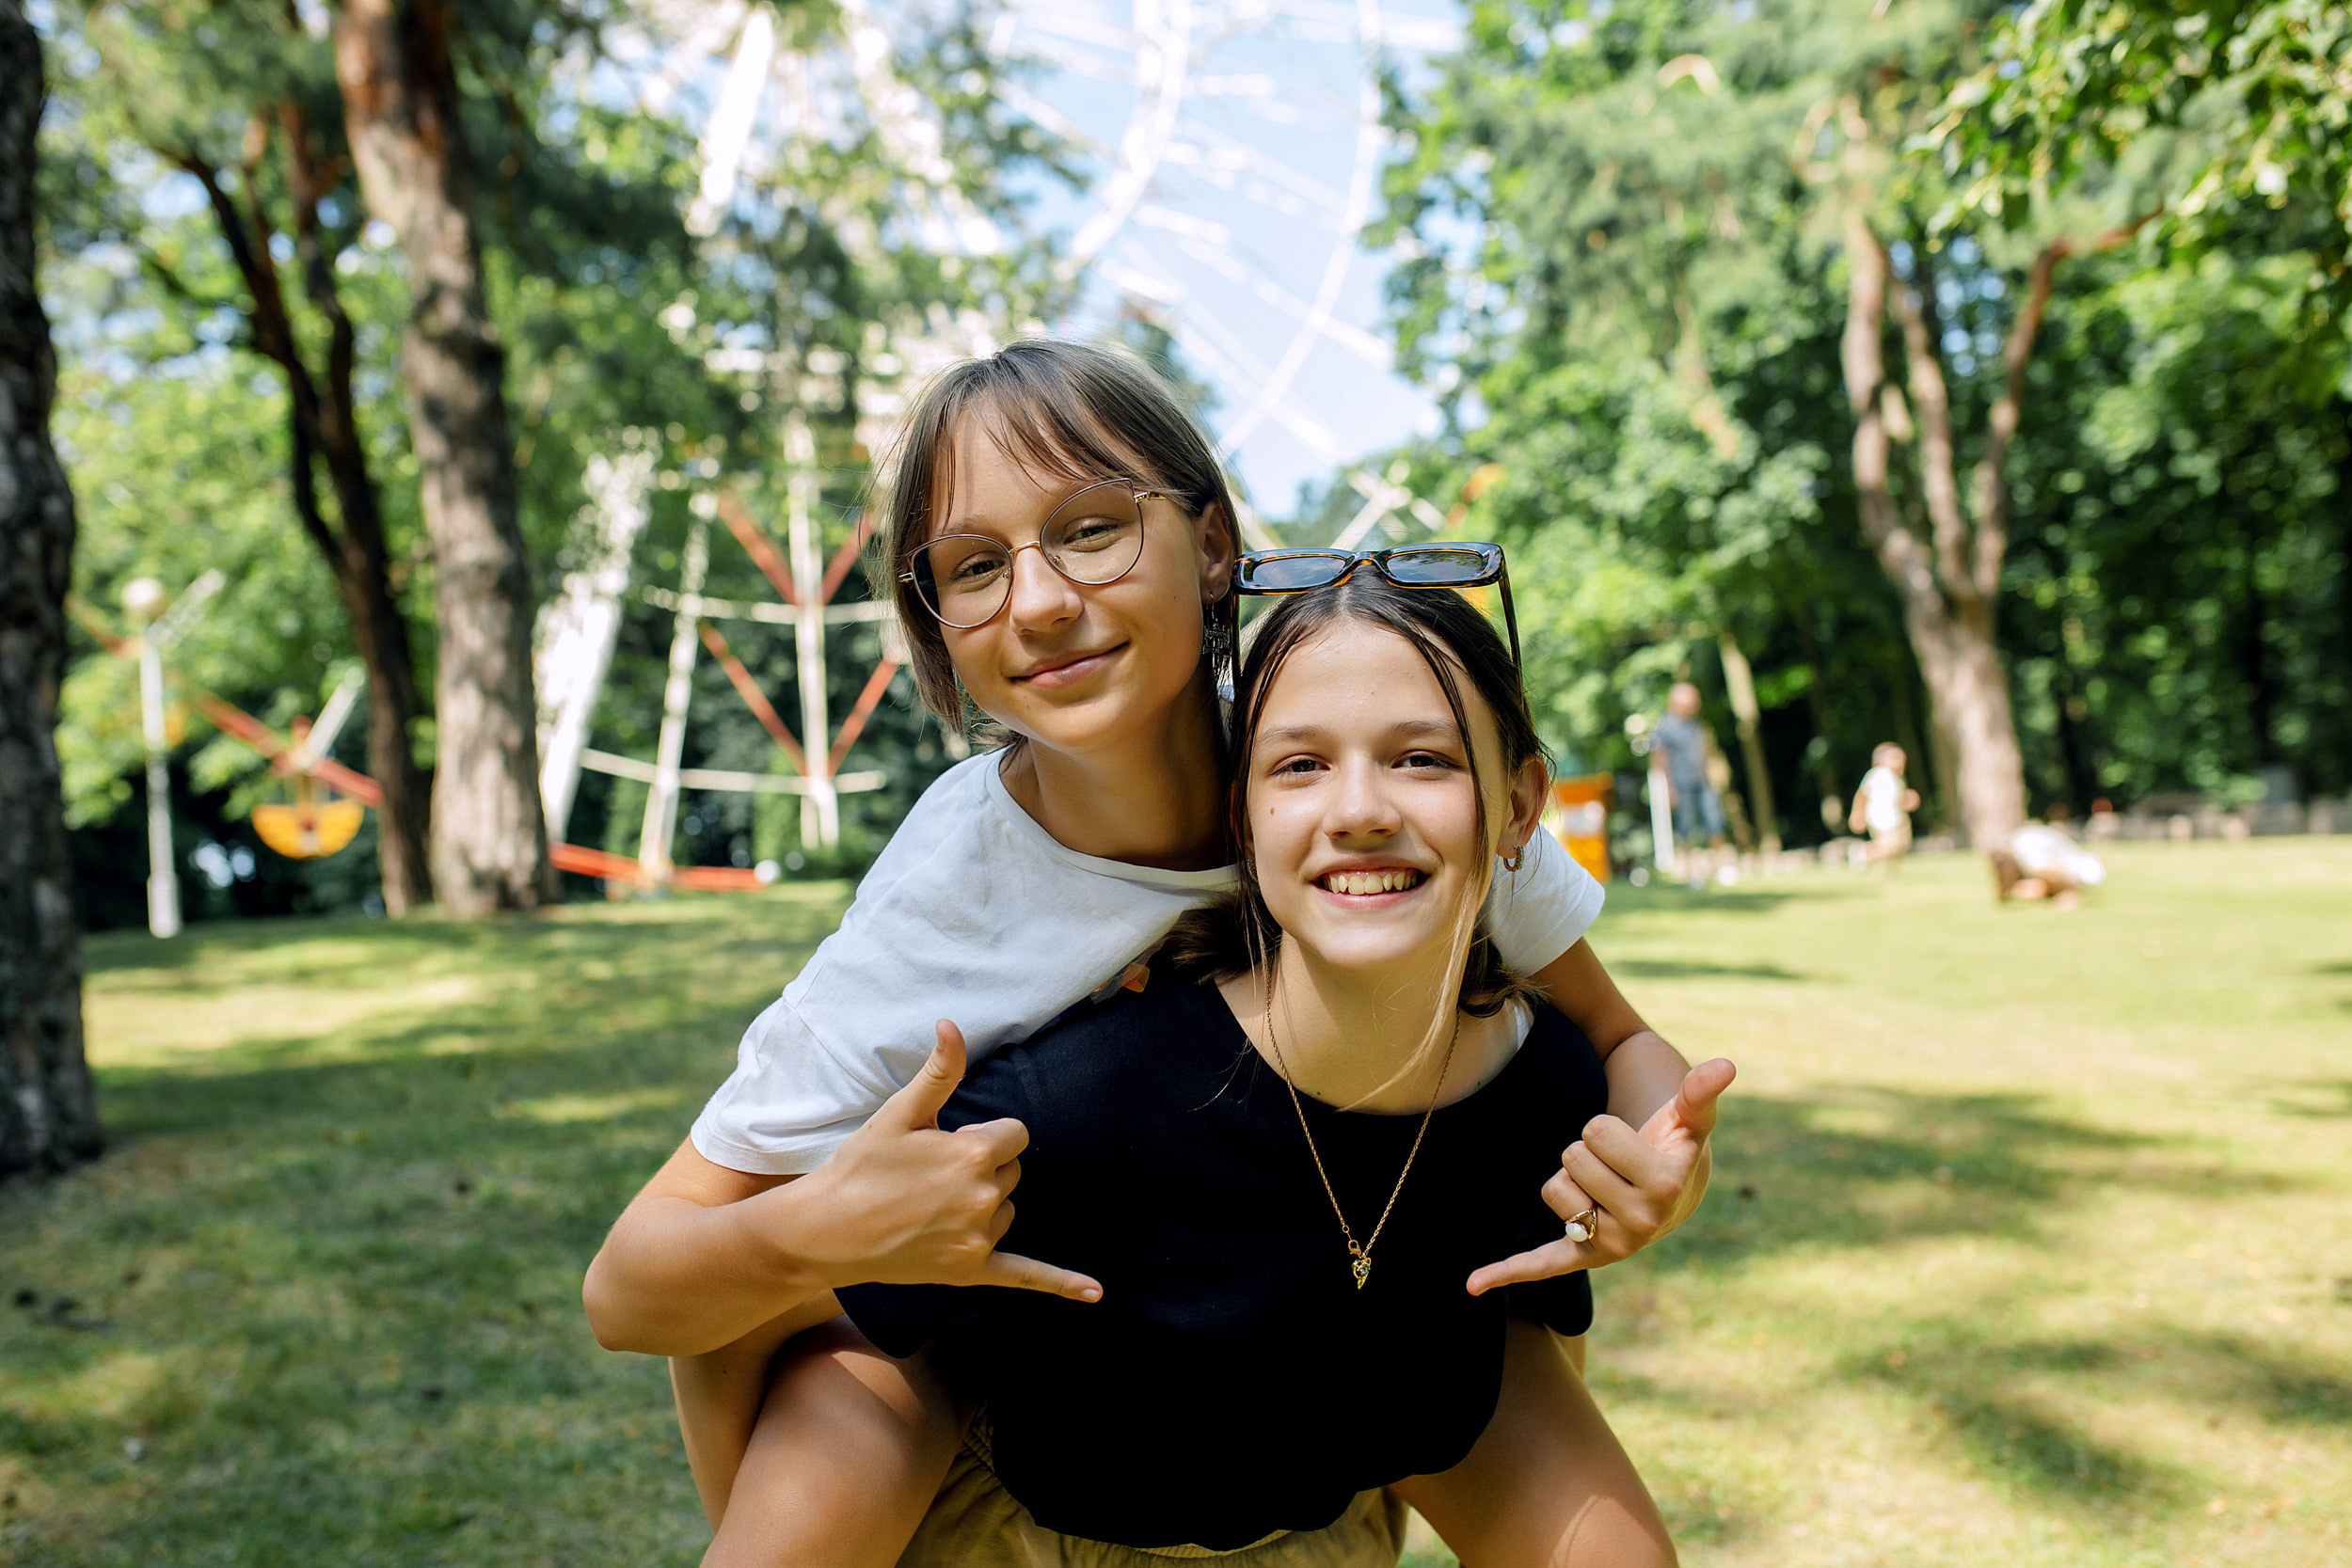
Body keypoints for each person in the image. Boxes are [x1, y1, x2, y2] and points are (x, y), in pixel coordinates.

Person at [579, 341, 1726, 1560]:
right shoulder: (947, 901)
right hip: (1003, 1367)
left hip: (1341, 1319)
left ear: (1216, 544)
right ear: (937, 622)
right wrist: (818, 1228)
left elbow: (1617, 1035)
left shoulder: (1363, 770)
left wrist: (1664, 1169)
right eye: (973, 567)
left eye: (1091, 529)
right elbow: (633, 1284)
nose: (1039, 601)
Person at [730, 568, 1694, 1564]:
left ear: (1519, 804)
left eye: (1421, 758)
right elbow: (756, 1320)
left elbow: (1522, 1369)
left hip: (1308, 1524)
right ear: (1239, 815)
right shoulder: (1076, 1105)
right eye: (1299, 766)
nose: (1359, 808)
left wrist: (1668, 1159)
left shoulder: (1546, 1100)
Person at [1650, 682, 1724, 880]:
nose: (1696, 705)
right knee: (1686, 829)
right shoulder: (1664, 727)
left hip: (1704, 782)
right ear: (1677, 702)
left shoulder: (1697, 724)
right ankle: (1690, 872)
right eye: (1692, 701)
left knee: (1715, 822)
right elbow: (1659, 760)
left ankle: (1720, 869)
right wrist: (1670, 790)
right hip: (1681, 784)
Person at [1992, 821, 2106, 907]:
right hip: (2072, 867)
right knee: (2029, 889)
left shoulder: (2024, 847)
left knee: (2035, 880)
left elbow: (2045, 869)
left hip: (2082, 869)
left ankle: (2069, 891)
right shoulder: (2018, 843)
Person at [1848, 742, 1919, 866]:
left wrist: (1907, 800)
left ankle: (1892, 874)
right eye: (1895, 758)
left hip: (1897, 818)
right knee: (1889, 845)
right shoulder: (1878, 775)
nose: (1900, 762)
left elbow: (1895, 798)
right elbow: (1862, 795)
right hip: (1882, 818)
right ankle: (1863, 853)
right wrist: (1857, 813)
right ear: (1880, 760)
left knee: (1901, 845)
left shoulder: (1896, 778)